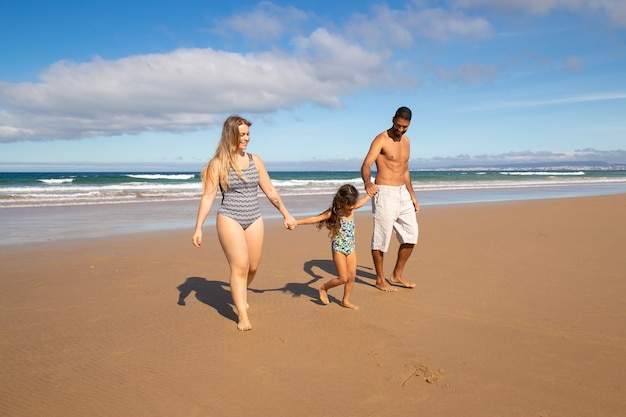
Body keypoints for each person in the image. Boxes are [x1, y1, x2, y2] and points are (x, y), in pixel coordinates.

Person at [192, 115, 297, 331]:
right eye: (242, 134)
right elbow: (208, 196)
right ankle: (242, 314)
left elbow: (270, 190)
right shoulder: (218, 164)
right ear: (231, 135)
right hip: (229, 217)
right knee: (239, 266)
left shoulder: (255, 160)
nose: (247, 138)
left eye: (248, 134)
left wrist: (286, 214)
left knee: (253, 266)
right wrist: (198, 227)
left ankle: (239, 292)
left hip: (254, 217)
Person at [361, 106, 419, 292]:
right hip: (384, 192)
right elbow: (366, 164)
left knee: (411, 235)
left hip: (402, 192)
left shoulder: (407, 141)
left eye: (405, 127)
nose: (400, 130)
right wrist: (368, 183)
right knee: (381, 238)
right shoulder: (381, 139)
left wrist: (412, 194)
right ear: (393, 119)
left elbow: (405, 169)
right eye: (398, 125)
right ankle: (380, 279)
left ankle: (397, 274)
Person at [296, 184, 371, 310]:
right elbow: (315, 218)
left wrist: (370, 194)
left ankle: (345, 301)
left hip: (351, 248)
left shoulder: (351, 209)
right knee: (343, 278)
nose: (353, 206)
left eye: (354, 203)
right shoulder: (333, 213)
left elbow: (362, 202)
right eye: (350, 204)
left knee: (352, 277)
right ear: (342, 202)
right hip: (339, 249)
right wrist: (296, 222)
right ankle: (323, 287)